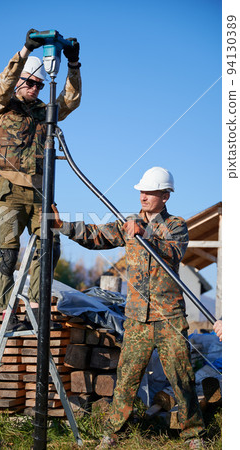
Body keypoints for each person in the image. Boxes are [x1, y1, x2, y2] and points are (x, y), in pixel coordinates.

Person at [51, 167, 206, 449]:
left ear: (165, 195)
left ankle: (193, 435)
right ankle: (112, 434)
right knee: (127, 377)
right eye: (141, 192)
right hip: (137, 318)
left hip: (169, 316)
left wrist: (145, 233)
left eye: (149, 192)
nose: (143, 196)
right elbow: (96, 236)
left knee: (181, 375)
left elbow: (172, 252)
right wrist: (64, 226)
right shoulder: (129, 223)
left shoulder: (176, 225)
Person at [0, 29, 81, 331]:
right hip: (8, 188)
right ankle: (8, 309)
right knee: (6, 252)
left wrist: (74, 66)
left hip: (40, 189)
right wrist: (25, 50)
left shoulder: (44, 112)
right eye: (31, 83)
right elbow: (4, 82)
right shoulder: (1, 104)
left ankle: (37, 307)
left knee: (48, 245)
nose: (36, 88)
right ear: (20, 81)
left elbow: (71, 100)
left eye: (40, 84)